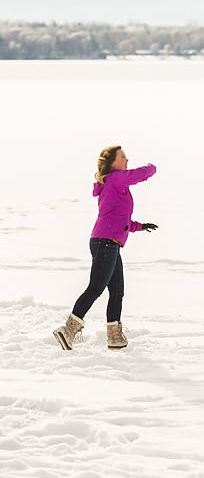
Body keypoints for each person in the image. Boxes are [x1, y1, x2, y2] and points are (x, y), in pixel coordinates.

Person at [53, 146, 158, 350]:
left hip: (110, 242)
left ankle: (114, 337)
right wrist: (153, 167)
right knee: (96, 287)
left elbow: (118, 217)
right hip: (105, 242)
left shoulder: (114, 184)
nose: (127, 160)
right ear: (112, 163)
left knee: (117, 291)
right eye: (123, 157)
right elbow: (140, 174)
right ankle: (68, 330)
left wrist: (139, 226)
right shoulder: (116, 178)